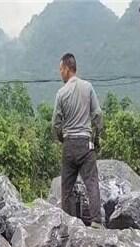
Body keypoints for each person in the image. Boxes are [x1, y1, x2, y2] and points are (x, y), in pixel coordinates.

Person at [52, 53, 103, 227]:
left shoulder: (61, 93)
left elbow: (56, 123)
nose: (60, 73)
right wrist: (96, 138)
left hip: (69, 145)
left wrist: (62, 139)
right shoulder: (88, 88)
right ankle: (96, 221)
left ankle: (67, 226)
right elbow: (97, 114)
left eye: (60, 69)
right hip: (85, 144)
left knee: (66, 189)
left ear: (67, 69)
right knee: (91, 183)